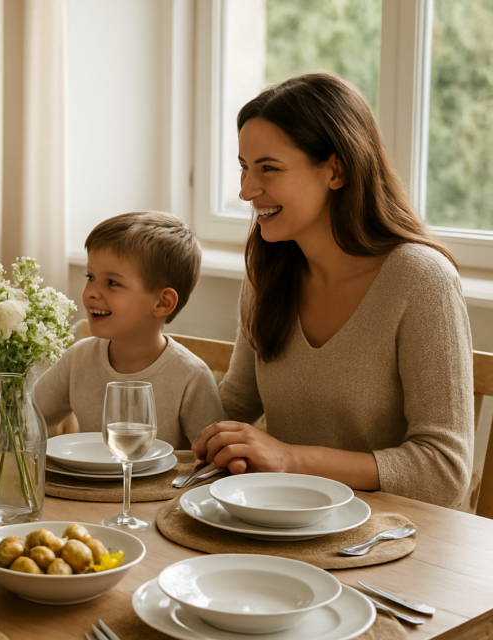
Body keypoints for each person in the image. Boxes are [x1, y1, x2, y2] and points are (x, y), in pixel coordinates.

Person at [192, 73, 474, 507]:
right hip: (283, 523)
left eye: (269, 168)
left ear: (336, 170)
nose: (247, 190)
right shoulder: (267, 270)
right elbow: (236, 404)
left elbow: (443, 470)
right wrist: (141, 364)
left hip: (398, 540)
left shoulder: (421, 280)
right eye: (245, 167)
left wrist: (290, 459)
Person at [34, 211, 225, 449]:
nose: (91, 291)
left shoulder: (191, 377)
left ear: (162, 303)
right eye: (90, 276)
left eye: (113, 283)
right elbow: (27, 421)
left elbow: (214, 463)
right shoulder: (78, 359)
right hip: (88, 487)